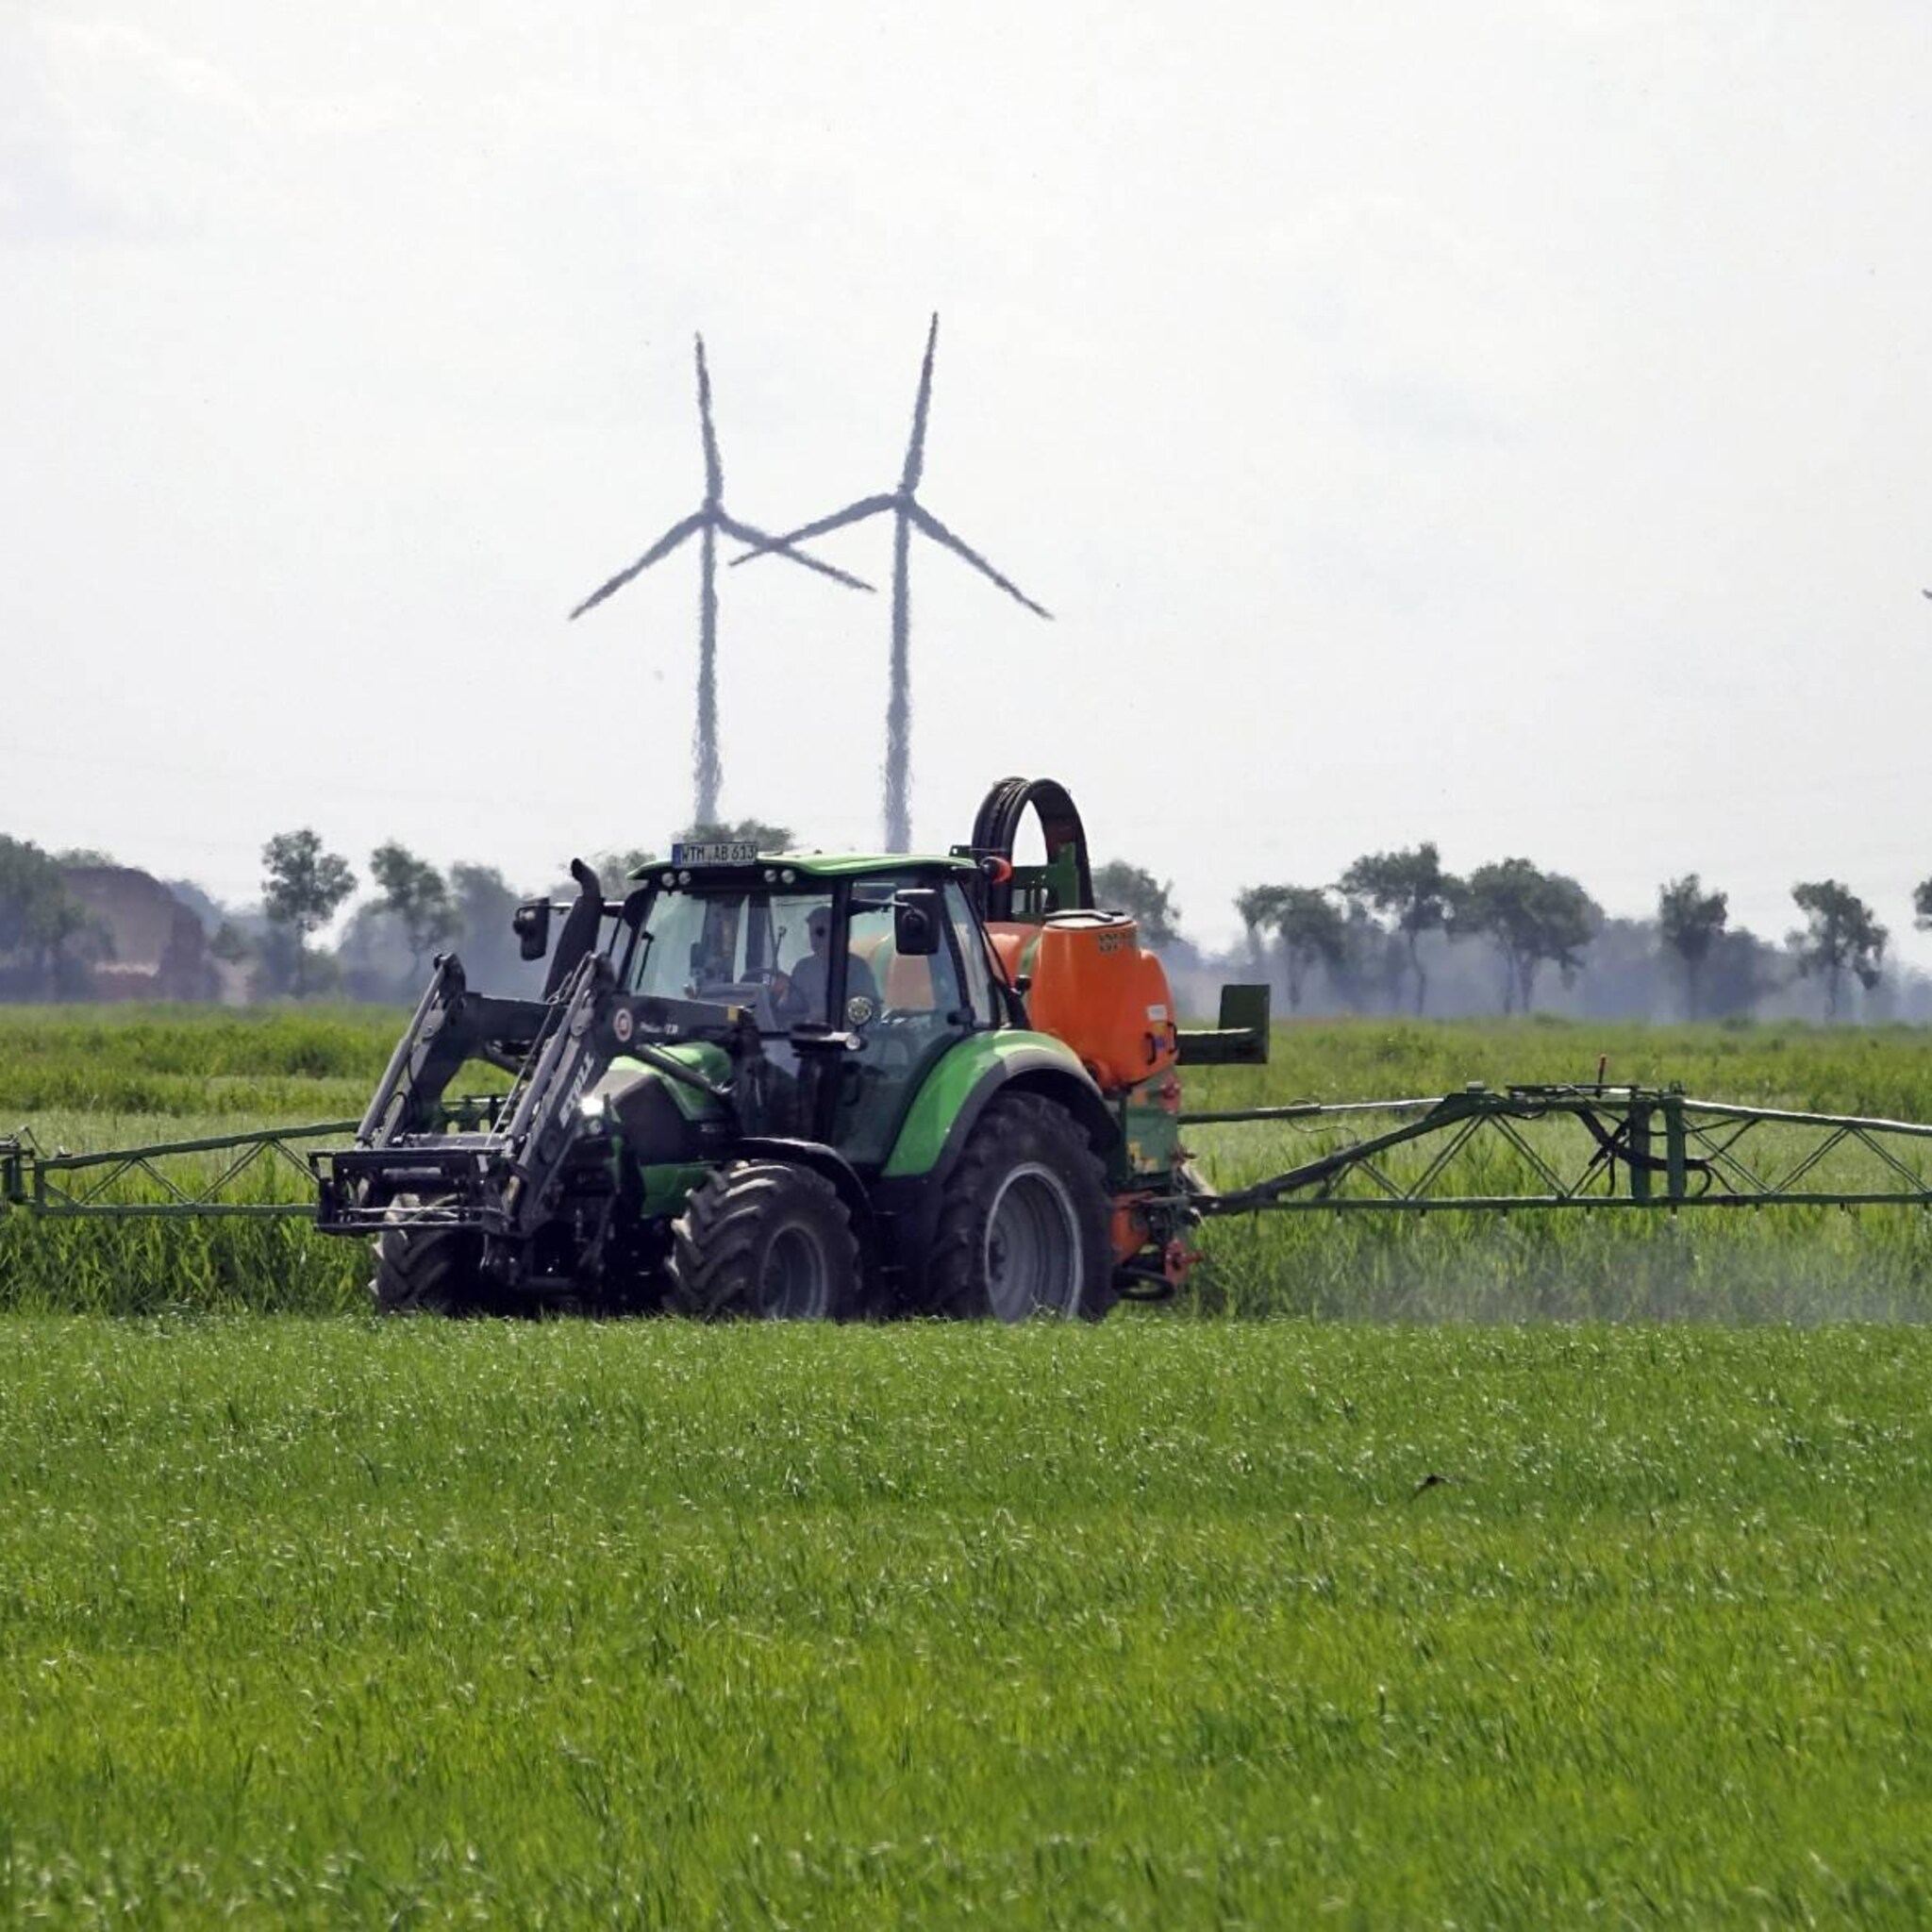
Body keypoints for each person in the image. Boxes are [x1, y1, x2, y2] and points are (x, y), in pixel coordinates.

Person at [774, 904, 877, 1025]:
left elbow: (868, 1011)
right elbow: (790, 1008)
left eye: (820, 933)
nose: (815, 940)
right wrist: (780, 995)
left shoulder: (857, 968)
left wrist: (830, 1015)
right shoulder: (802, 968)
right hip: (807, 1036)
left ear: (836, 933)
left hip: (844, 1036)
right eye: (812, 934)